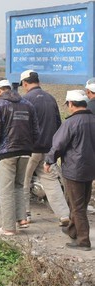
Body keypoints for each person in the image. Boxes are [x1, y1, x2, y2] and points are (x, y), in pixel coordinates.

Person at [45, 90, 95, 251]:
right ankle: (73, 231)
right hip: (90, 169)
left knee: (77, 206)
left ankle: (83, 241)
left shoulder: (71, 123)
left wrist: (49, 160)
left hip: (74, 169)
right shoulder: (93, 120)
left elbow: (58, 145)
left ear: (71, 104)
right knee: (81, 202)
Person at [19, 70, 70, 226]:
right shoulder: (51, 99)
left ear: (25, 83)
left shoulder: (25, 100)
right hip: (48, 149)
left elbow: (22, 126)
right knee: (51, 182)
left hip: (30, 149)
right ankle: (64, 215)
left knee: (23, 182)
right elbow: (58, 124)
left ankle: (25, 215)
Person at [0, 79, 38, 236]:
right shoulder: (27, 104)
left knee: (6, 189)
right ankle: (22, 218)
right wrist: (30, 146)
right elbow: (36, 130)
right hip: (26, 151)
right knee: (18, 185)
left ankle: (8, 227)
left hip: (6, 152)